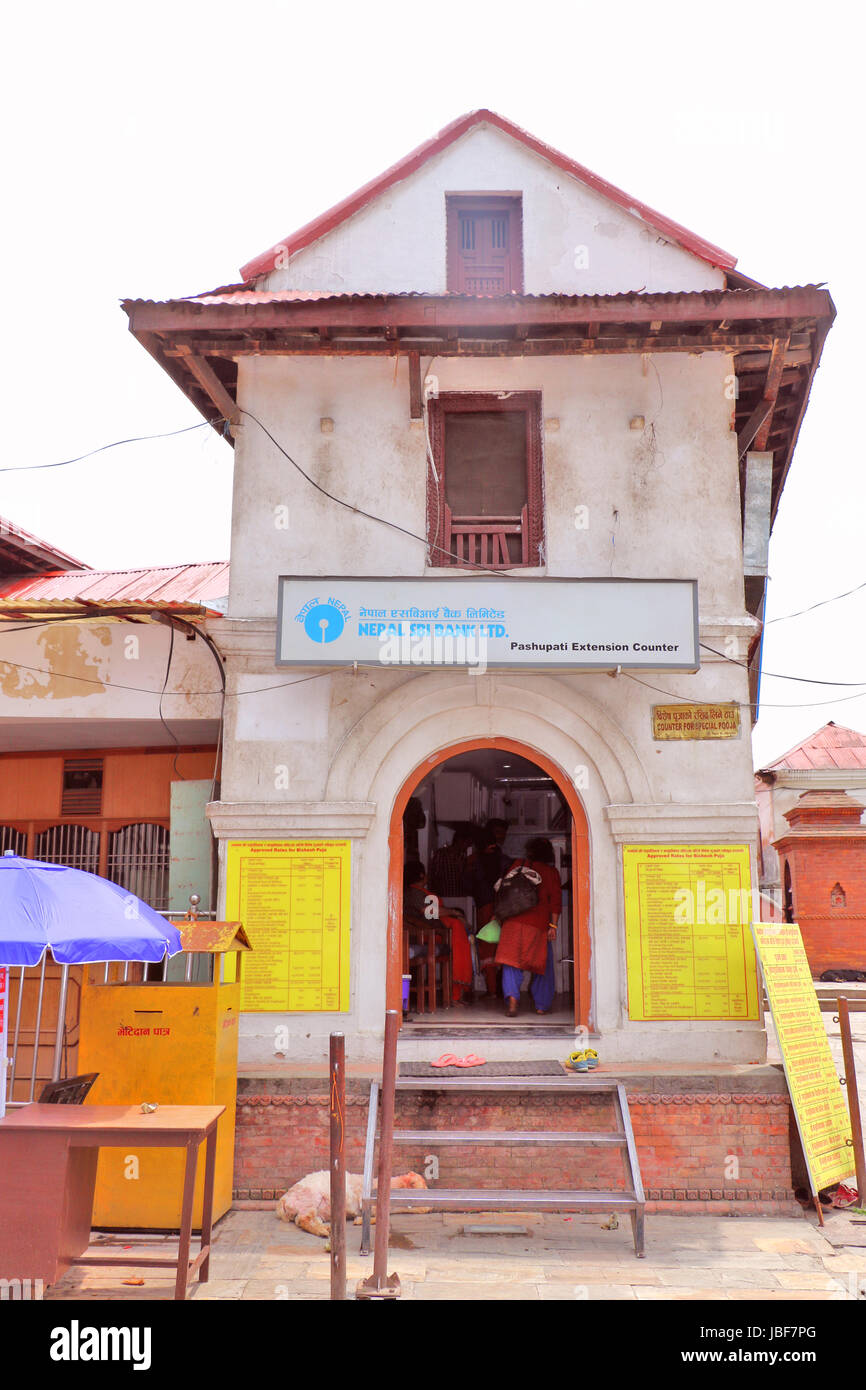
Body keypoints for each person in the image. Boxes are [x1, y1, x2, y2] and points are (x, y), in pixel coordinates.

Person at [494, 836, 561, 1017]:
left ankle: (513, 1002)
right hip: (537, 924)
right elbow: (555, 902)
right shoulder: (551, 872)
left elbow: (503, 891)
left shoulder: (517, 864)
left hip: (512, 922)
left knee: (511, 963)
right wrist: (553, 926)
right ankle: (541, 1005)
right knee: (542, 965)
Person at [403, 860, 473, 1005]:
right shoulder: (414, 892)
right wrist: (454, 912)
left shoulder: (417, 892)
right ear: (422, 875)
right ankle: (455, 993)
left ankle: (457, 992)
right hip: (428, 935)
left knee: (459, 940)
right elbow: (429, 912)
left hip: (435, 932)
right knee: (457, 947)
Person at [472, 819, 510, 999]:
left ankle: (493, 990)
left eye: (502, 833)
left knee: (488, 946)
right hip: (502, 907)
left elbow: (472, 882)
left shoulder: (480, 859)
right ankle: (501, 989)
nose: (500, 836)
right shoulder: (503, 859)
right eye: (497, 832)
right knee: (501, 947)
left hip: (488, 905)